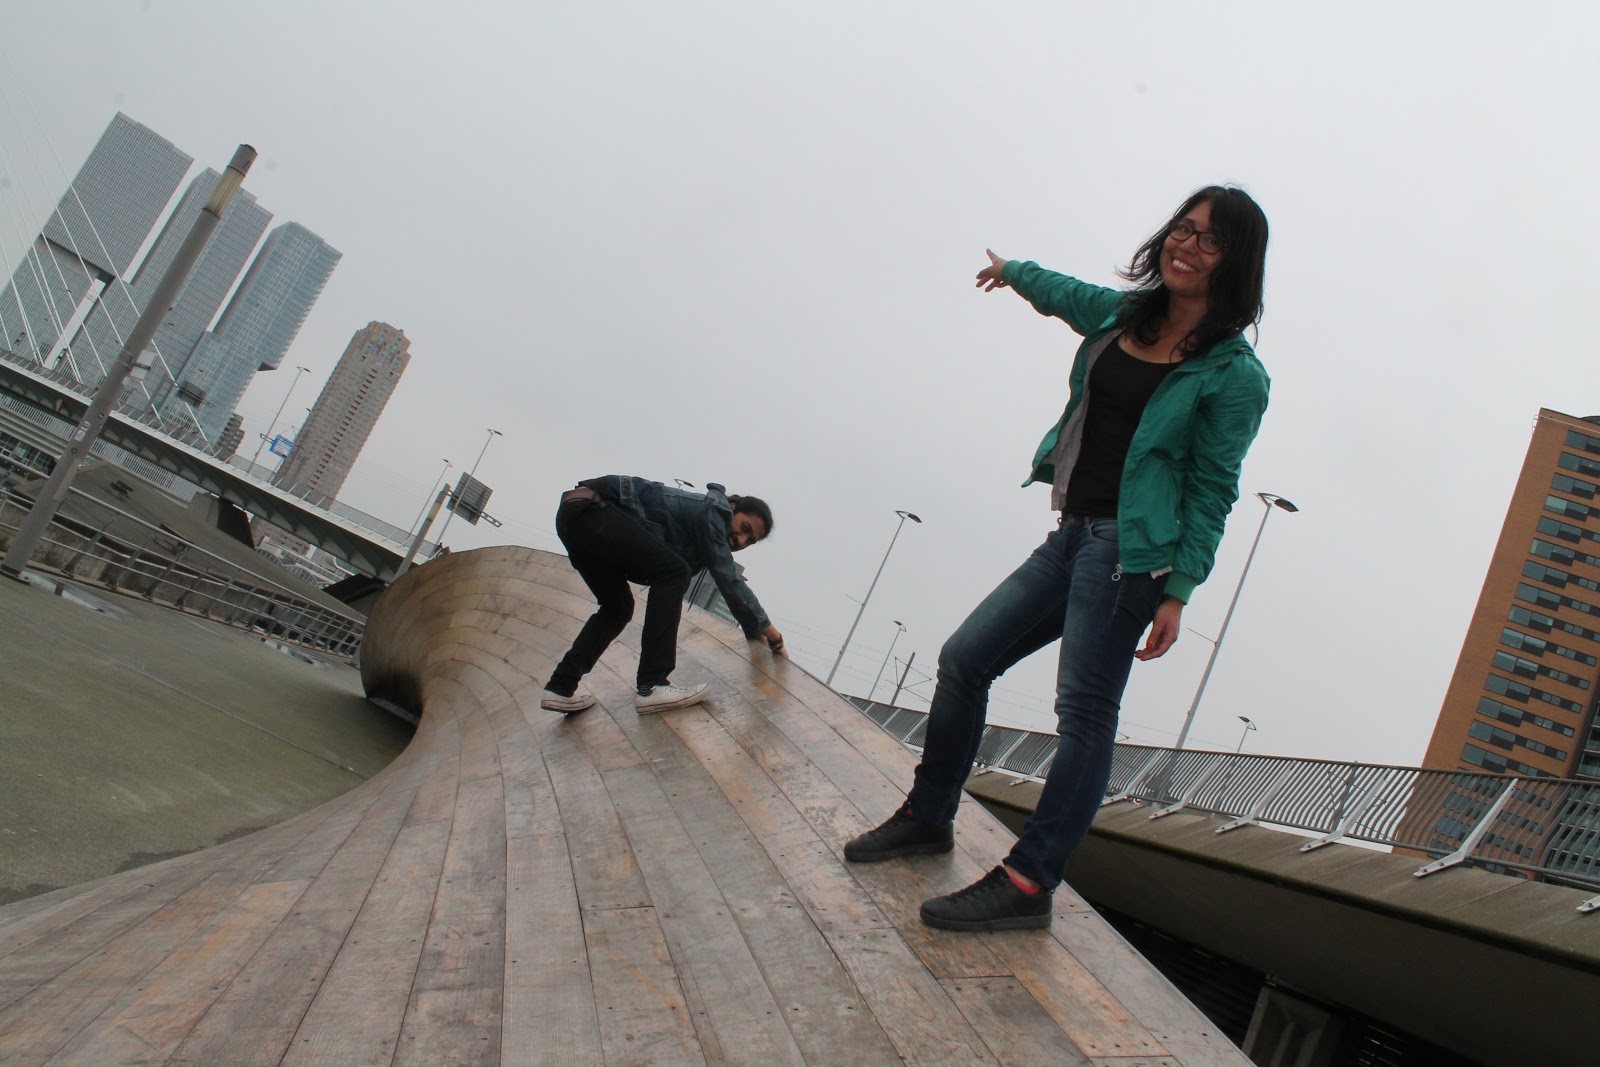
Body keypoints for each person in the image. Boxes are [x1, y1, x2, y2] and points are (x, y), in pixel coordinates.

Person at [844, 186, 1272, 932]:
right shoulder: (1125, 316)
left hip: (1130, 554)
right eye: (1184, 228)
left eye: (1212, 240)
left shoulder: (1234, 375)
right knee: (964, 658)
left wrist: (1179, 589)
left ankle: (1029, 879)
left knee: (1084, 715)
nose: (1188, 246)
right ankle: (928, 815)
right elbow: (1066, 295)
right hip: (1072, 534)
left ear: (1236, 263)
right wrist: (1013, 271)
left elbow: (1213, 489)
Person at [540, 475, 786, 714]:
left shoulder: (704, 537)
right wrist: (772, 634)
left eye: (749, 541)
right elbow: (728, 578)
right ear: (732, 508)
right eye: (744, 528)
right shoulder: (713, 512)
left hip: (576, 518)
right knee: (676, 572)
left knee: (618, 608)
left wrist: (754, 633)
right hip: (593, 511)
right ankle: (652, 684)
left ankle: (560, 688)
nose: (740, 540)